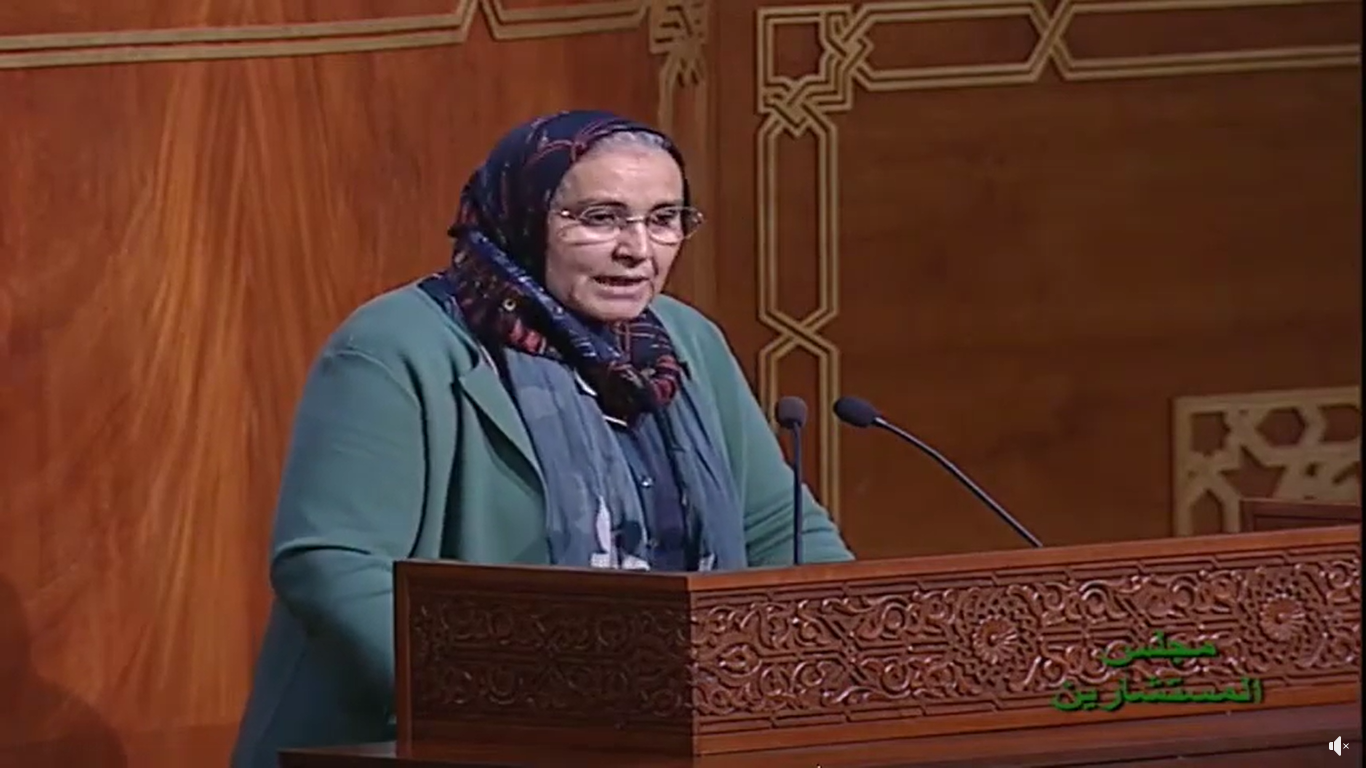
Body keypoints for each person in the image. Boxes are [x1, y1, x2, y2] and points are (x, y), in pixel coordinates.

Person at [229, 110, 854, 767]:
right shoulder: (396, 346)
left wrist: (840, 654)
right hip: (445, 740)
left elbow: (780, 531)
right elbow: (332, 564)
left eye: (663, 219)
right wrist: (511, 704)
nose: (638, 249)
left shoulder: (686, 340)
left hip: (678, 733)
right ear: (524, 215)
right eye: (601, 218)